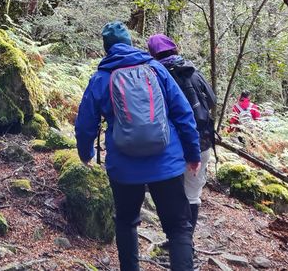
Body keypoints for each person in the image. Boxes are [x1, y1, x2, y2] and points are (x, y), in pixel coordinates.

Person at [75, 21, 201, 271]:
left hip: (124, 168)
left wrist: (86, 153)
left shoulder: (100, 78)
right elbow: (183, 113)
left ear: (106, 48)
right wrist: (192, 153)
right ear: (131, 44)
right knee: (178, 228)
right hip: (166, 163)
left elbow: (85, 124)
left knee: (126, 222)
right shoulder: (156, 69)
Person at [147, 34, 215, 268]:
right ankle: (187, 243)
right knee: (192, 194)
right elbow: (212, 100)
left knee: (174, 198)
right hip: (202, 142)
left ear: (152, 53)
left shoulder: (154, 75)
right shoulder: (192, 71)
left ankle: (177, 242)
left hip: (172, 147)